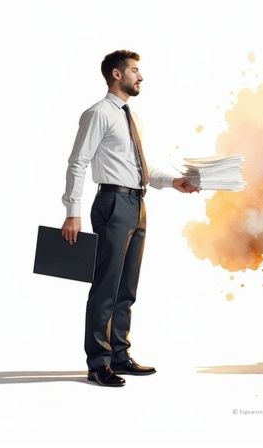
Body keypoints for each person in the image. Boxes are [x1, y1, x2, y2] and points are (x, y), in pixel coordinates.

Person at [61, 49, 197, 387]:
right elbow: (78, 162)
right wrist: (72, 212)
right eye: (135, 70)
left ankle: (119, 355)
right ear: (117, 75)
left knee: (127, 287)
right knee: (106, 286)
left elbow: (140, 169)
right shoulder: (98, 114)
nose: (141, 76)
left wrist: (172, 182)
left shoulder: (129, 117)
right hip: (112, 203)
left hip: (137, 204)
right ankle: (98, 363)